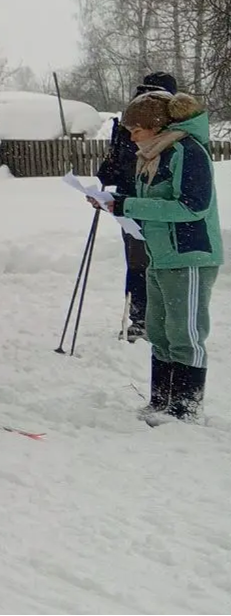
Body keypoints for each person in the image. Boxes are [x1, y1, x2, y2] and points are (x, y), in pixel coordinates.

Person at [96, 89, 219, 424]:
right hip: (159, 255)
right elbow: (147, 204)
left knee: (185, 333)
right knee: (160, 331)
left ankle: (185, 408)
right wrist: (114, 202)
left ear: (156, 126)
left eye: (137, 129)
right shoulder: (153, 155)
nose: (131, 136)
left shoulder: (187, 151)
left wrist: (130, 205)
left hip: (189, 255)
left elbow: (194, 206)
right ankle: (162, 402)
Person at [97, 71, 180, 342]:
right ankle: (140, 318)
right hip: (129, 205)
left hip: (152, 206)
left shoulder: (169, 131)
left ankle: (156, 318)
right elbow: (120, 162)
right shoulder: (128, 126)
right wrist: (107, 174)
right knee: (137, 263)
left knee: (154, 264)